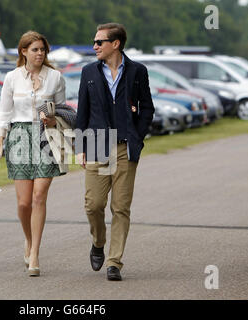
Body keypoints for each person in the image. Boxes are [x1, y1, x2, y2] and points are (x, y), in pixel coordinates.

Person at [75, 23, 154, 281]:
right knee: (93, 205)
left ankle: (114, 262)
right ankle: (98, 242)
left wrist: (137, 137)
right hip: (97, 143)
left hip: (124, 147)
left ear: (115, 44)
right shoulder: (88, 72)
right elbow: (82, 113)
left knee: (120, 207)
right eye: (95, 42)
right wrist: (79, 147)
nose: (94, 46)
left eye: (100, 42)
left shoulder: (137, 71)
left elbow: (147, 108)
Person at [0, 31, 66, 277]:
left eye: (43, 50)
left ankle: (34, 253)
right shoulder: (12, 78)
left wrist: (54, 118)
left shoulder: (55, 77)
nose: (40, 54)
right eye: (35, 49)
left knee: (38, 197)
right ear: (23, 51)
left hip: (46, 136)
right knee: (23, 203)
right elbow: (4, 114)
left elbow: (64, 111)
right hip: (19, 137)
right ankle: (28, 238)